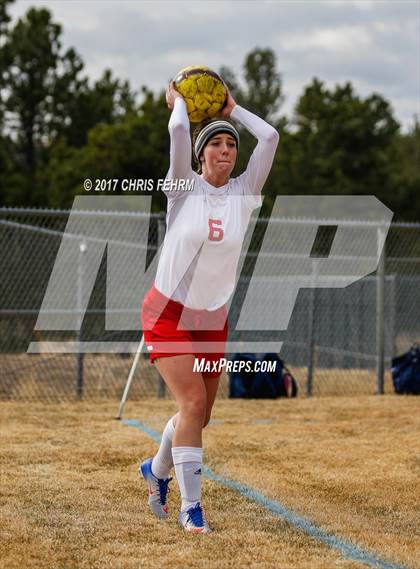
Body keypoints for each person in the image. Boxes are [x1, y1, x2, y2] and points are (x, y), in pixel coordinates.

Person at [139, 80, 279, 533]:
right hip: (168, 312)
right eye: (215, 143)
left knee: (200, 414)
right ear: (201, 156)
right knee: (193, 401)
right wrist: (179, 100)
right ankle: (191, 508)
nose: (225, 150)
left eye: (230, 145)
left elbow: (272, 137)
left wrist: (234, 110)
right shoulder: (183, 190)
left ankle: (157, 469)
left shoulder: (244, 192)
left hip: (212, 318)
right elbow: (179, 132)